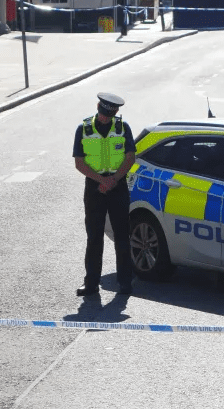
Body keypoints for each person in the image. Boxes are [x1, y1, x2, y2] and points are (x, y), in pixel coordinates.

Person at [73, 92, 136, 296]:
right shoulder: (83, 129)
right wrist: (102, 181)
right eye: (102, 113)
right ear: (98, 106)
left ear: (115, 112)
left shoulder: (123, 128)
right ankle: (91, 283)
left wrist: (114, 180)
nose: (104, 118)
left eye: (108, 115)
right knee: (94, 237)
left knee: (122, 237)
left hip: (117, 186)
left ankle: (125, 283)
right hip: (95, 187)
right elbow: (79, 163)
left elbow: (130, 157)